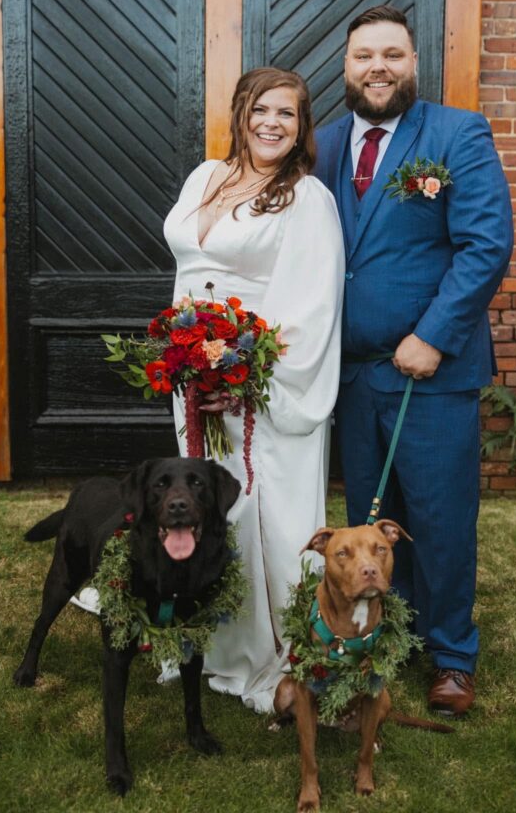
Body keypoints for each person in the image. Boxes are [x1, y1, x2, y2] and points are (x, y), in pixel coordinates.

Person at [314, 6, 513, 717]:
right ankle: (384, 637)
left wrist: (432, 334)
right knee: (374, 525)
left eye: (391, 54)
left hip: (430, 373)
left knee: (438, 519)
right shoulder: (326, 145)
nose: (377, 67)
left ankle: (451, 654)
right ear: (344, 66)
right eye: (363, 54)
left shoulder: (456, 134)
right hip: (354, 375)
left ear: (413, 64)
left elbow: (485, 245)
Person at [162, 67, 345, 714]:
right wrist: (185, 358)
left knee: (265, 519)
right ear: (241, 112)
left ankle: (287, 652)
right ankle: (212, 641)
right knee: (197, 511)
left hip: (259, 395)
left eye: (287, 115)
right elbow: (188, 274)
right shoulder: (203, 178)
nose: (272, 123)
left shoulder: (305, 199)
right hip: (194, 382)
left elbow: (311, 307)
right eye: (262, 109)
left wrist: (244, 379)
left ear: (301, 129)